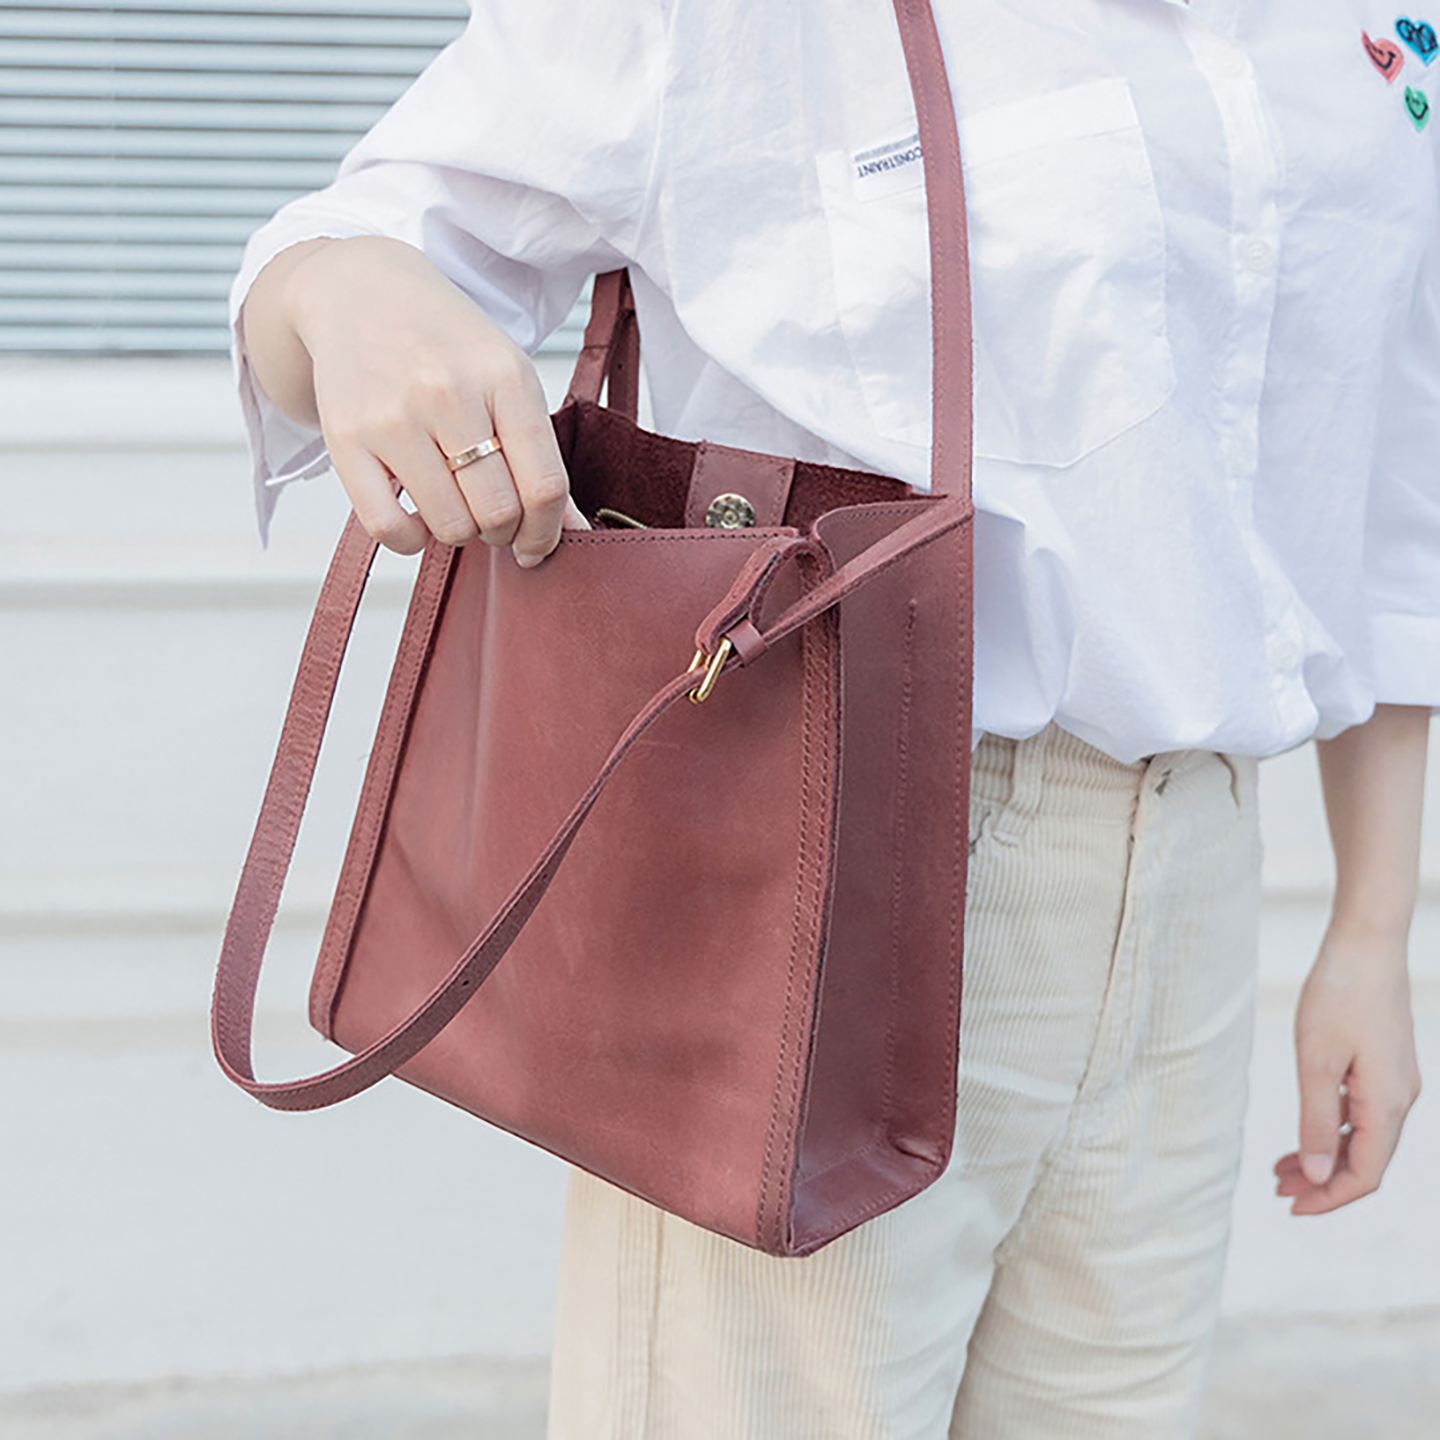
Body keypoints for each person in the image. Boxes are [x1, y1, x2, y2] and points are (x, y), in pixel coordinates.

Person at [229, 2, 1433, 1436]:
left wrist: (1372, 923)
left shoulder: (1361, 31)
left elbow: (1385, 484)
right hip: (832, 858)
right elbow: (353, 243)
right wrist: (350, 293)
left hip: (1198, 883)